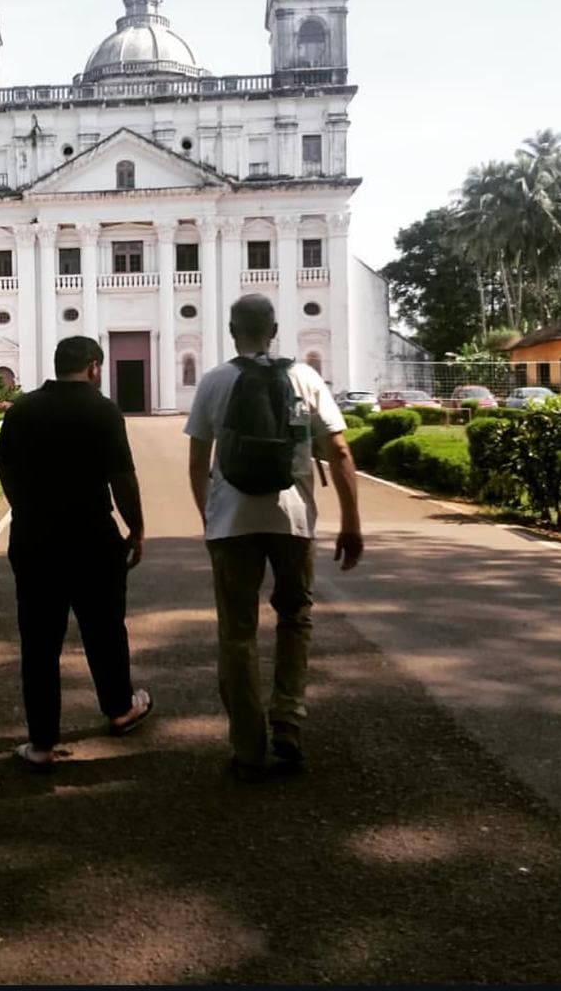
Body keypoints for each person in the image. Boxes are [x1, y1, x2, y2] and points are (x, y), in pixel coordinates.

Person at [185, 294, 363, 781]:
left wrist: (209, 518)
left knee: (237, 634)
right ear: (276, 329)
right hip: (293, 521)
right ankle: (287, 718)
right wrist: (351, 522)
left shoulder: (214, 381)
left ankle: (247, 747)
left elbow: (198, 463)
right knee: (295, 618)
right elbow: (339, 451)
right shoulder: (304, 377)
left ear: (231, 330)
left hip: (232, 524)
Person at [0, 335, 153, 771]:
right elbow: (122, 477)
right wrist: (137, 528)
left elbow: (4, 467)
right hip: (92, 536)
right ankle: (120, 709)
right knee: (104, 629)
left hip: (34, 538)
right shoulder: (102, 410)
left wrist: (24, 507)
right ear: (94, 367)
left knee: (39, 641)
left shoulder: (23, 409)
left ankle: (42, 744)